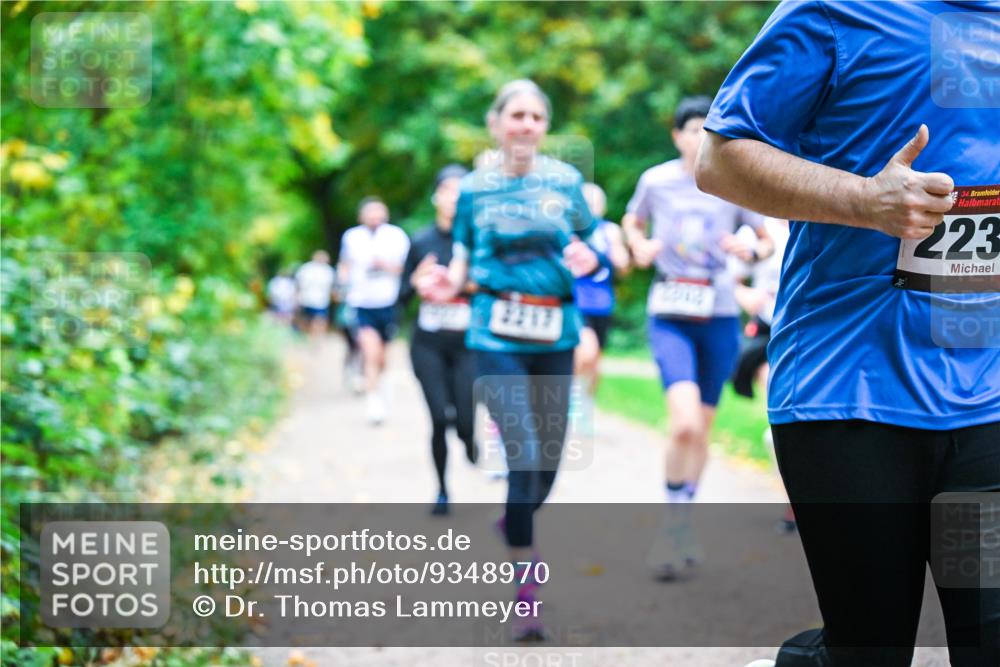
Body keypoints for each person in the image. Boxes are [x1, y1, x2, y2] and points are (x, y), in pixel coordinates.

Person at [695, 2, 999, 666]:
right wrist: (866, 200)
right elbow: (718, 159)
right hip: (849, 383)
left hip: (988, 393)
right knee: (869, 649)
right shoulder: (836, 8)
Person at [418, 79, 607, 642]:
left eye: (536, 117)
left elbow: (596, 247)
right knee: (522, 453)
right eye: (516, 115)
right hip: (494, 334)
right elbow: (463, 257)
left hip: (556, 333)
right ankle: (526, 593)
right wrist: (447, 282)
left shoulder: (565, 182)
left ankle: (514, 517)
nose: (526, 125)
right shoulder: (474, 190)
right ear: (496, 124)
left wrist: (590, 257)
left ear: (545, 127)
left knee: (547, 466)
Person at [621, 95, 774, 579]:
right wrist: (639, 245)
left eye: (708, 129)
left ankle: (683, 521)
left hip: (720, 316)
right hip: (670, 313)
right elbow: (632, 221)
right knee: (684, 424)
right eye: (691, 129)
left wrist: (748, 251)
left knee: (703, 429)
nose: (699, 137)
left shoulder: (734, 184)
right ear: (677, 136)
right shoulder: (656, 181)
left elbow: (765, 240)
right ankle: (671, 523)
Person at [398, 164, 478, 516]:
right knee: (437, 417)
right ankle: (443, 489)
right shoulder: (420, 241)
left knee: (464, 420)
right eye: (448, 190)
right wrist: (415, 283)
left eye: (462, 191)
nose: (454, 198)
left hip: (467, 346)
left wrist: (464, 285)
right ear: (436, 196)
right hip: (427, 344)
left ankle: (469, 439)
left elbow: (492, 288)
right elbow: (400, 296)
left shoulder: (478, 240)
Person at [338, 197, 411, 425]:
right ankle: (373, 400)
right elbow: (345, 264)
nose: (374, 217)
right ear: (362, 216)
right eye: (370, 213)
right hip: (362, 303)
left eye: (378, 213)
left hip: (389, 302)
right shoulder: (352, 237)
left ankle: (382, 383)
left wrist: (384, 265)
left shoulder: (396, 236)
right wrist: (342, 282)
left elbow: (407, 268)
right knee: (370, 352)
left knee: (382, 355)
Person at [572, 183, 630, 404]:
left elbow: (623, 267)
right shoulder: (569, 231)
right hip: (576, 302)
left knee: (595, 361)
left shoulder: (610, 231)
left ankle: (587, 403)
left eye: (595, 203)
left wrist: (620, 254)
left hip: (602, 304)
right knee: (586, 352)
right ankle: (571, 398)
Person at [294, 250, 336, 347]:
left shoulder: (328, 271)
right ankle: (310, 339)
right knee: (308, 322)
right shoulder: (306, 268)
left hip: (320, 301)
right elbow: (298, 285)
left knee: (319, 321)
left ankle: (315, 340)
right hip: (307, 300)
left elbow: (332, 287)